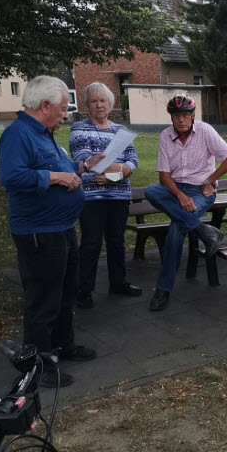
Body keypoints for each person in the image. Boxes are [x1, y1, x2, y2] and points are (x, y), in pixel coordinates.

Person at [0, 76, 99, 388]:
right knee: (43, 300)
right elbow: (12, 176)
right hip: (39, 233)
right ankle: (37, 366)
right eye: (62, 108)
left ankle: (62, 346)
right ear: (44, 106)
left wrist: (79, 170)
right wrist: (56, 177)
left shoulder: (44, 134)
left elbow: (59, 170)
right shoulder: (18, 135)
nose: (65, 114)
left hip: (63, 228)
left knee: (66, 292)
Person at [145, 95, 227, 312]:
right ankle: (203, 230)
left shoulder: (205, 131)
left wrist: (209, 181)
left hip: (201, 190)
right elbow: (164, 177)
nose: (181, 120)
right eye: (176, 116)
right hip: (175, 190)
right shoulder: (165, 136)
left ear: (193, 116)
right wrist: (179, 195)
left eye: (185, 115)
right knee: (151, 190)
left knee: (176, 231)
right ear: (171, 118)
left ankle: (163, 289)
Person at [69, 82, 141, 309]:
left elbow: (133, 161)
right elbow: (86, 162)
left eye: (103, 100)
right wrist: (120, 170)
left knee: (116, 241)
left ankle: (118, 283)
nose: (99, 105)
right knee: (91, 242)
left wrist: (114, 175)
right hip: (92, 196)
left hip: (118, 195)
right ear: (86, 105)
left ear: (110, 104)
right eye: (94, 101)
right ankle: (84, 290)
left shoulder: (121, 131)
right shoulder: (79, 129)